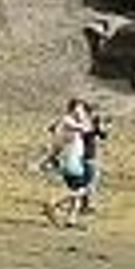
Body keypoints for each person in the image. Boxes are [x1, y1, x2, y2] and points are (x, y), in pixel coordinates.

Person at [48, 97, 93, 227]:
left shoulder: (66, 122)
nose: (81, 112)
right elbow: (86, 129)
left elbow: (57, 144)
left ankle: (71, 220)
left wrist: (52, 157)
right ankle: (54, 203)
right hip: (71, 161)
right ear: (72, 109)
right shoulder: (67, 121)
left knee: (77, 190)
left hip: (72, 160)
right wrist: (84, 118)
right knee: (82, 190)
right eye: (79, 109)